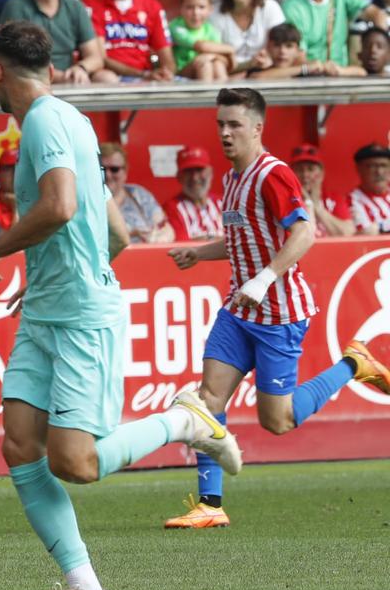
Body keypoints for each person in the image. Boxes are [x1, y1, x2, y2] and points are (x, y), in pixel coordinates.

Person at [0, 18, 226, 590]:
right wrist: (53, 275)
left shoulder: (43, 122)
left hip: (82, 316)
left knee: (75, 463)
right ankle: (85, 588)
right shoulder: (76, 122)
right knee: (19, 444)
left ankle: (185, 422)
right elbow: (116, 231)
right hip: (49, 308)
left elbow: (59, 206)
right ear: (52, 69)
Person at [156, 87, 390, 530]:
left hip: (279, 315)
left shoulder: (273, 175)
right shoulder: (231, 179)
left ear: (258, 128)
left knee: (277, 421)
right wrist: (198, 254)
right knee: (207, 402)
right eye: (220, 124)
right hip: (238, 312)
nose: (225, 133)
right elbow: (241, 239)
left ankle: (353, 364)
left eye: (234, 125)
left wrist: (264, 280)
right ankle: (210, 504)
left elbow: (304, 234)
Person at [214, 0, 289, 73]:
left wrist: (269, 58)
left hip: (266, 73)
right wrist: (247, 65)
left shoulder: (270, 7)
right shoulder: (214, 11)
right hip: (226, 76)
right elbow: (214, 57)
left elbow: (283, 46)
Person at [102, 142, 173, 242]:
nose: (108, 175)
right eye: (102, 169)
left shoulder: (138, 194)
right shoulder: (88, 200)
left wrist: (156, 240)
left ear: (125, 171)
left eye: (114, 169)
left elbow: (165, 228)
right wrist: (132, 233)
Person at [290, 146, 356, 238]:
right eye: (300, 170)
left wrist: (317, 207)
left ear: (321, 173)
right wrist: (307, 202)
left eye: (310, 169)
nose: (305, 175)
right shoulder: (287, 199)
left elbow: (347, 233)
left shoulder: (333, 198)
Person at [168, 145, 223, 240]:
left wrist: (206, 239)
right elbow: (182, 247)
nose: (194, 178)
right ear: (179, 177)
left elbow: (240, 237)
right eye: (188, 171)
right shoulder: (171, 209)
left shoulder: (225, 203)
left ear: (211, 172)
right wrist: (221, 240)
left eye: (199, 169)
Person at [352, 142, 390, 234]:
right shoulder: (351, 200)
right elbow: (366, 233)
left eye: (384, 165)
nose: (379, 172)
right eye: (373, 166)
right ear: (359, 168)